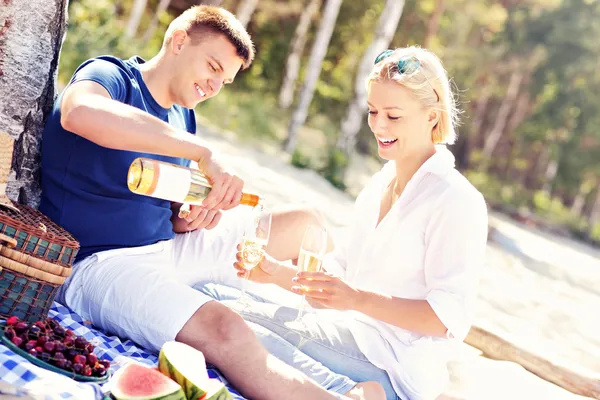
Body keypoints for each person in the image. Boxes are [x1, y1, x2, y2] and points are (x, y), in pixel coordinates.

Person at [39, 5, 384, 400]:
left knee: (304, 224)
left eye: (226, 80)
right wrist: (201, 151)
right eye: (212, 67)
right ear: (179, 41)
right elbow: (80, 113)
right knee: (225, 327)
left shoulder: (183, 115)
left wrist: (192, 218)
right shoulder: (113, 77)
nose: (215, 86)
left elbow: (168, 210)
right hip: (99, 264)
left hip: (169, 248)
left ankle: (357, 345)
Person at [200, 46, 489, 400]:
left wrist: (358, 300)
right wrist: (273, 272)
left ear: (432, 116)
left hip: (392, 365)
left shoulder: (456, 200)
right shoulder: (379, 184)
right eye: (373, 111)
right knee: (208, 296)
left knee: (213, 316)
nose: (379, 125)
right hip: (345, 332)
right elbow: (337, 282)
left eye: (394, 116)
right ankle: (347, 391)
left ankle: (357, 393)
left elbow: (448, 319)